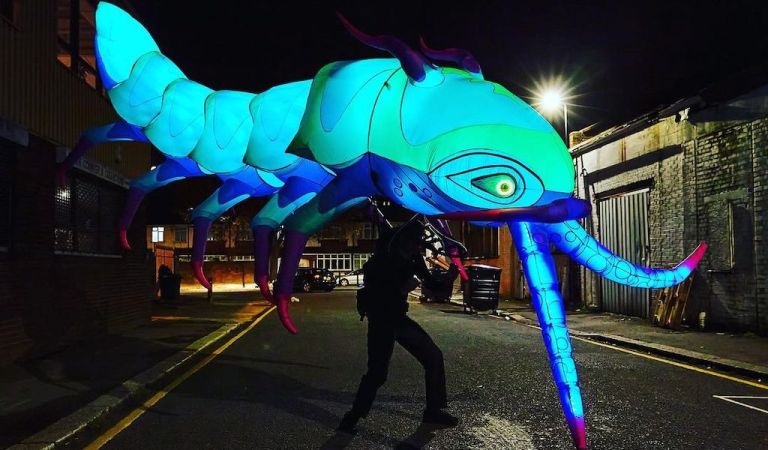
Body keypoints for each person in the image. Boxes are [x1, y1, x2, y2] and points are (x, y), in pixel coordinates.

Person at [338, 220, 459, 435]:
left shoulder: (413, 258)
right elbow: (377, 291)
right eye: (415, 241)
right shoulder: (383, 260)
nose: (418, 246)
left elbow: (433, 285)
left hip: (397, 318)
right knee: (377, 373)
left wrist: (450, 275)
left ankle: (433, 410)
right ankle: (353, 416)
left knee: (433, 357)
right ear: (405, 240)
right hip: (382, 319)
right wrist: (402, 289)